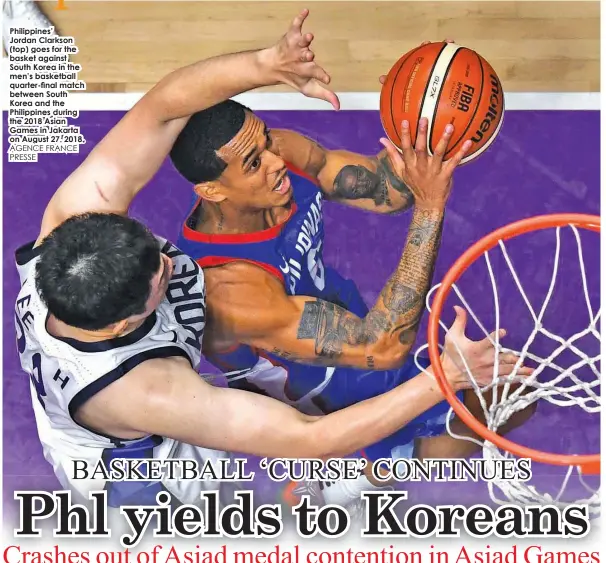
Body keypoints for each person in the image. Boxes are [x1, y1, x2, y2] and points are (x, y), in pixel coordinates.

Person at [14, 10, 526, 510]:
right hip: (135, 472)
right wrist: (442, 378)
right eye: (160, 277)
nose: (171, 264)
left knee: (514, 396)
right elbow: (312, 435)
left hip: (187, 357)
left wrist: (267, 65)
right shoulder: (148, 390)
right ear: (128, 321)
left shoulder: (72, 219)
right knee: (201, 514)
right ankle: (339, 486)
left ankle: (345, 476)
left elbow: (164, 107)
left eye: (154, 251)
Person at [170, 65, 535, 506]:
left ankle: (365, 468)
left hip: (348, 331)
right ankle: (338, 476)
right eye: (254, 163)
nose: (275, 159)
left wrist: (420, 121)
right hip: (311, 391)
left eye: (266, 140)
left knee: (515, 393)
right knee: (457, 420)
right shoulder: (229, 288)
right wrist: (431, 208)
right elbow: (381, 347)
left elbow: (387, 189)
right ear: (211, 191)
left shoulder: (281, 157)